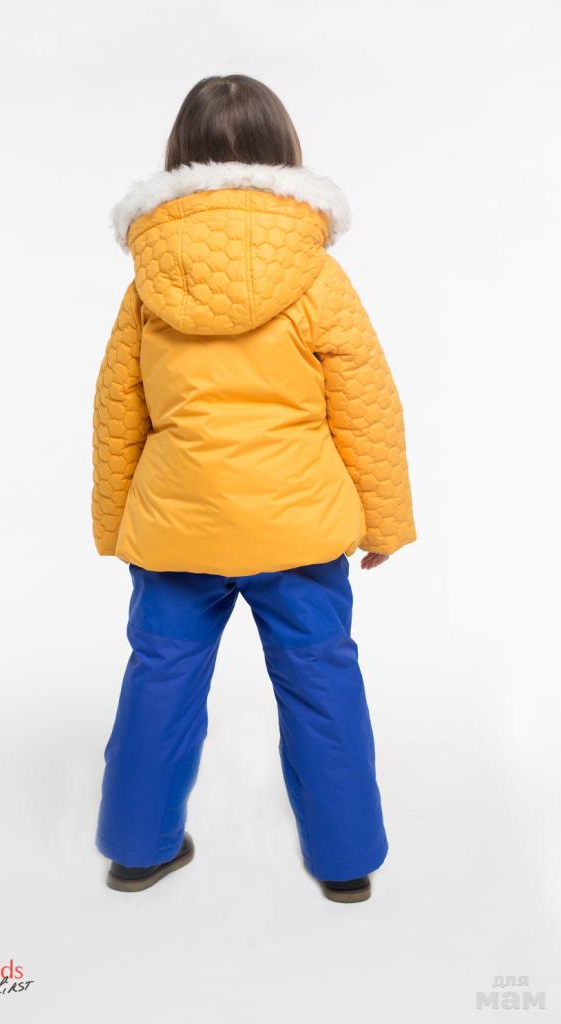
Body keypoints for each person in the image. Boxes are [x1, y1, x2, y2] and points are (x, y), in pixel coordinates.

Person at [91, 75, 416, 902]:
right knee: (321, 679)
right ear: (286, 155)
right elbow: (366, 404)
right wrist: (383, 522)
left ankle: (136, 851)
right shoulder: (315, 277)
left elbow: (118, 413)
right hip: (297, 529)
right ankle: (345, 863)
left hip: (177, 528)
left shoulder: (148, 284)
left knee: (160, 675)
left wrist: (115, 525)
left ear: (179, 156)